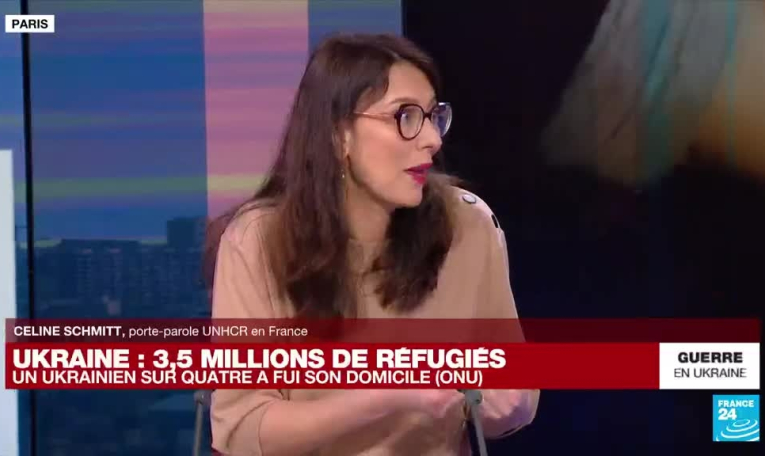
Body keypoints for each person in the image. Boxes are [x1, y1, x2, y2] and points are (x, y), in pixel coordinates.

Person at [205, 32, 539, 456]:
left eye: (432, 116)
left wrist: (504, 405)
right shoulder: (256, 240)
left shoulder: (468, 226)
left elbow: (516, 393)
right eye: (405, 116)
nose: (433, 139)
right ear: (338, 134)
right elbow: (240, 428)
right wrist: (383, 399)